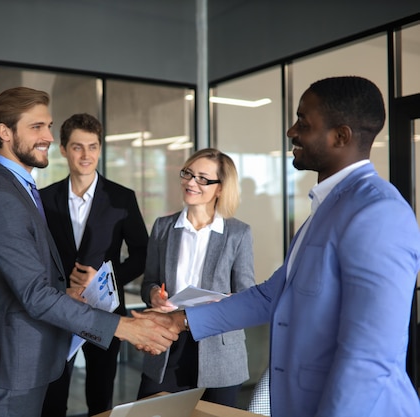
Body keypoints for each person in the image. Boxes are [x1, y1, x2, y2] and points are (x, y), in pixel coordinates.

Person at [152, 76, 420, 417]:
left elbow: (370, 357)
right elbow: (269, 296)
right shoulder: (324, 210)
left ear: (341, 136)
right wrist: (180, 320)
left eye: (303, 123)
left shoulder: (378, 213)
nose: (291, 131)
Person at [0, 87, 178, 417]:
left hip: (36, 350)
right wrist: (124, 327)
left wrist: (69, 292)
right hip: (14, 364)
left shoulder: (20, 190)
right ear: (5, 132)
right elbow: (33, 293)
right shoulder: (2, 199)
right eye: (37, 127)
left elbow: (30, 279)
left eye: (48, 126)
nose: (47, 136)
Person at [40, 113, 149, 417]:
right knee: (53, 398)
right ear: (63, 149)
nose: (86, 155)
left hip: (105, 310)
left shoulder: (122, 199)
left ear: (100, 148)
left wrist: (106, 279)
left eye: (92, 146)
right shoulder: (43, 199)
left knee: (100, 399)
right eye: (77, 147)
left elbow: (142, 253)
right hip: (58, 310)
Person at [136, 148, 255, 407]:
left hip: (219, 352)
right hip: (167, 343)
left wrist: (224, 302)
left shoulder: (238, 234)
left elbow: (248, 299)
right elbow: (149, 283)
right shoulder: (163, 227)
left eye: (202, 178)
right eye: (188, 174)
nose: (191, 182)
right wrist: (154, 294)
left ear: (220, 188)